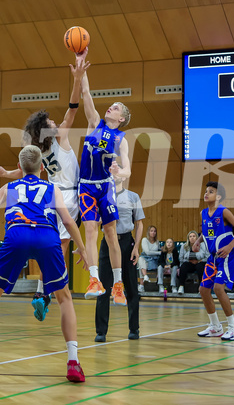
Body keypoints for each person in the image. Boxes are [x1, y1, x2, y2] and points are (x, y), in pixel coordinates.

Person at [0, 145, 89, 383]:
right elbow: (69, 222)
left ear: (19, 168)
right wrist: (82, 249)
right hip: (46, 237)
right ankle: (73, 363)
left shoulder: (9, 187)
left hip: (17, 235)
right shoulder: (52, 188)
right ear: (42, 167)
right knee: (65, 298)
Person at [0, 50, 89, 322]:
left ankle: (40, 293)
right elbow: (73, 108)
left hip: (48, 198)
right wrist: (77, 79)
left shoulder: (39, 151)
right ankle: (51, 293)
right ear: (48, 130)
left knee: (52, 247)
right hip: (68, 197)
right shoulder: (61, 139)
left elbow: (26, 169)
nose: (55, 122)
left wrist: (6, 174)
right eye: (50, 122)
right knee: (58, 250)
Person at [78, 67, 132, 306]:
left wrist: (120, 172)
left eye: (117, 107)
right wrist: (81, 69)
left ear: (121, 119)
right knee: (89, 230)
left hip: (106, 187)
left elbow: (128, 169)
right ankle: (93, 280)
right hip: (87, 186)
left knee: (110, 234)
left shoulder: (122, 139)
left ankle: (118, 286)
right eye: (112, 104)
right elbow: (86, 92)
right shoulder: (94, 123)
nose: (112, 106)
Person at [195, 181, 234, 341]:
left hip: (227, 255)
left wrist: (230, 246)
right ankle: (215, 326)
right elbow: (207, 230)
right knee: (203, 290)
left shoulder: (224, 212)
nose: (206, 193)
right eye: (206, 191)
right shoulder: (204, 213)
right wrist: (198, 240)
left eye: (210, 191)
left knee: (218, 288)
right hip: (213, 256)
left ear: (218, 197)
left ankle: (233, 327)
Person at [95, 175, 144, 342]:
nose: (114, 174)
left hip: (126, 243)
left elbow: (139, 223)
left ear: (124, 175)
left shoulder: (133, 196)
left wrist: (136, 247)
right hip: (108, 242)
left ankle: (134, 329)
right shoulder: (102, 195)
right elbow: (95, 222)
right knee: (103, 287)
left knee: (131, 288)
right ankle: (101, 331)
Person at [178, 230, 209, 294]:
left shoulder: (203, 245)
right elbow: (181, 259)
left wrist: (199, 260)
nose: (192, 238)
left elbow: (207, 257)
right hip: (189, 263)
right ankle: (181, 286)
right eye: (190, 236)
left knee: (200, 267)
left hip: (200, 262)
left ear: (197, 238)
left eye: (194, 236)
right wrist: (189, 260)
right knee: (183, 266)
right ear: (188, 238)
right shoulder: (184, 246)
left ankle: (201, 287)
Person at [138, 225, 161, 292]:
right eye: (151, 231)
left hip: (154, 260)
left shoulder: (157, 242)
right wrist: (158, 252)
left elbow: (159, 252)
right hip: (145, 257)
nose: (153, 232)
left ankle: (142, 285)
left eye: (154, 231)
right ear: (148, 232)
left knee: (141, 266)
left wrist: (159, 252)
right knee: (141, 261)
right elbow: (147, 252)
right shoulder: (144, 240)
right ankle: (145, 277)